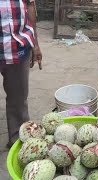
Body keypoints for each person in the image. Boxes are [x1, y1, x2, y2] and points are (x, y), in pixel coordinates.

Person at [0, 0, 42, 148]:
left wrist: (35, 45)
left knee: (18, 99)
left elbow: (30, 5)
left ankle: (17, 141)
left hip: (17, 47)